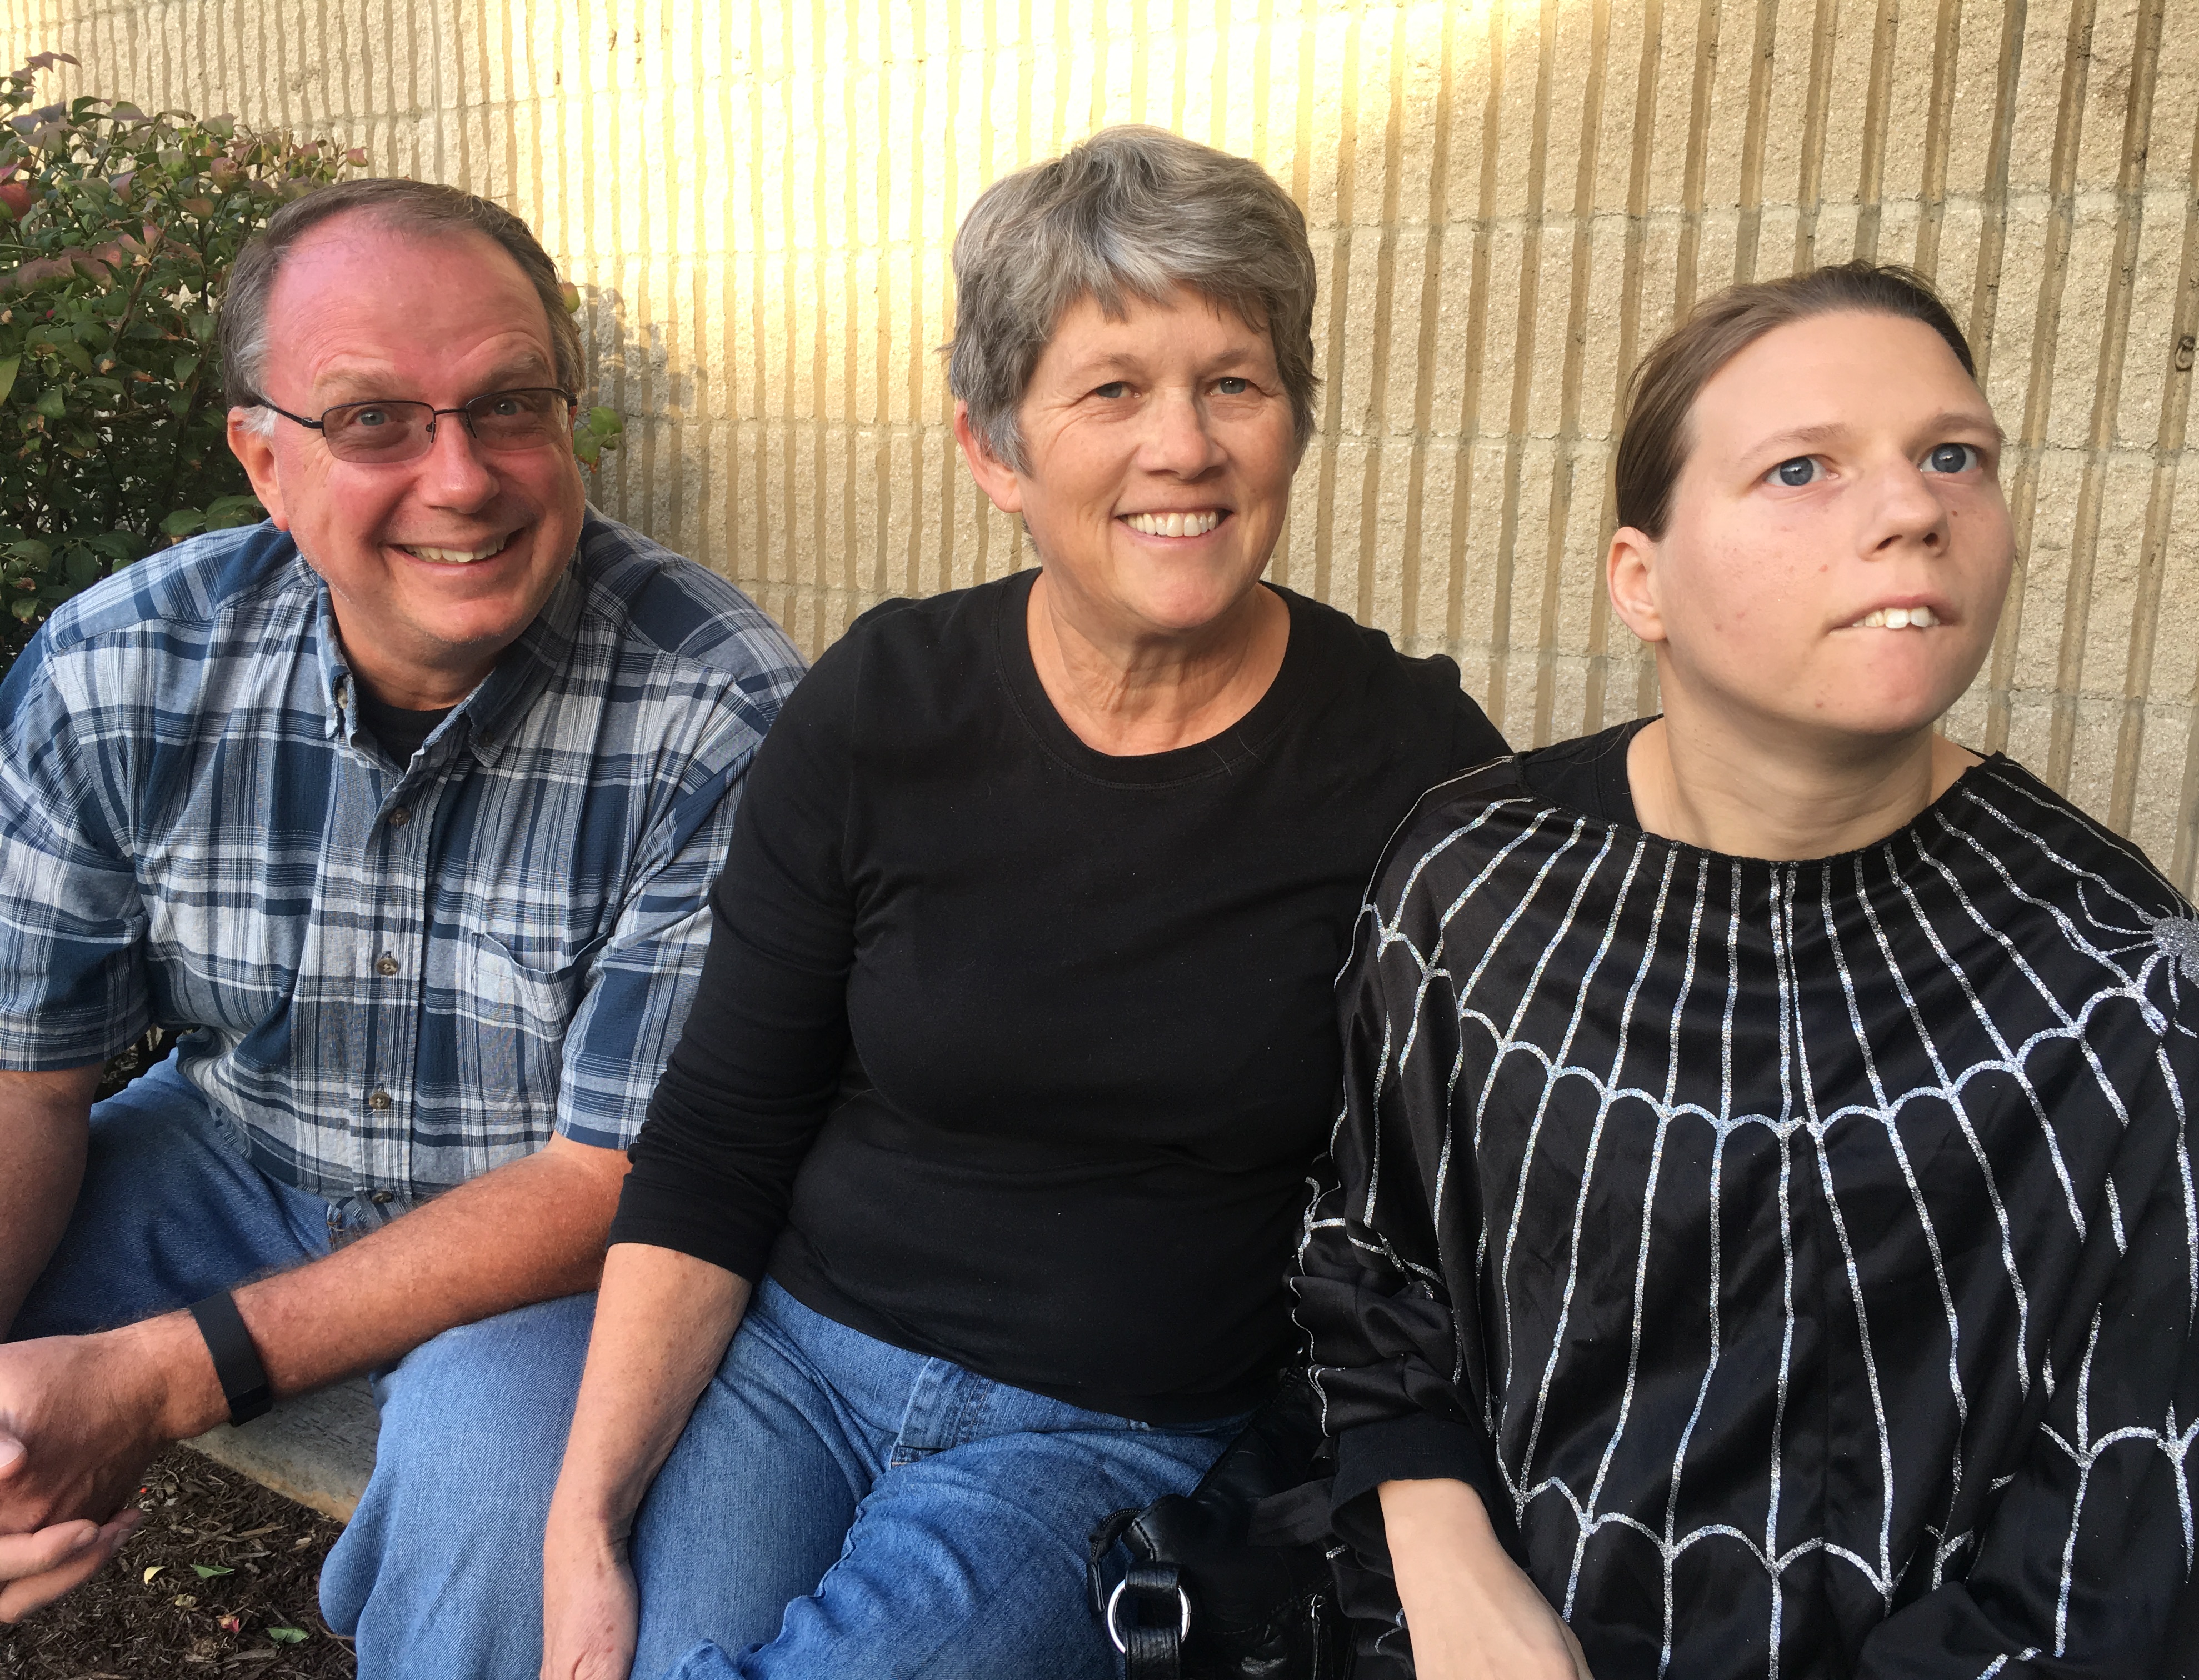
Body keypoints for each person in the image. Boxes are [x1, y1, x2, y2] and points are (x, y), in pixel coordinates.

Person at [538, 126, 1509, 1680]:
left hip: (1112, 1436)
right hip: (793, 1368)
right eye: (1113, 389)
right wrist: (584, 1520)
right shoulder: (883, 705)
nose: (1183, 446)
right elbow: (721, 1124)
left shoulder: (1411, 764)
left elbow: (1460, 1210)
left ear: (1294, 422)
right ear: (996, 449)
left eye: (1234, 383)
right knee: (623, 1642)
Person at [1292, 260, 2199, 1678]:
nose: (1914, 510)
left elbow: (2130, 1547)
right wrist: (1439, 1548)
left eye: (1954, 457)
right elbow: (1371, 1259)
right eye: (1803, 469)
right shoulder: (1473, 877)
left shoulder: (2134, 992)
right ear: (1643, 580)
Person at [0, 178, 803, 1673]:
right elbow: (28, 1078)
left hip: (554, 1243)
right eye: (375, 420)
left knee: (507, 1489)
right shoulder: (116, 672)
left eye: (509, 405)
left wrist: (168, 1375)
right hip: (236, 1150)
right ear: (263, 459)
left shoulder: (724, 715)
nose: (462, 478)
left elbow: (620, 1179)